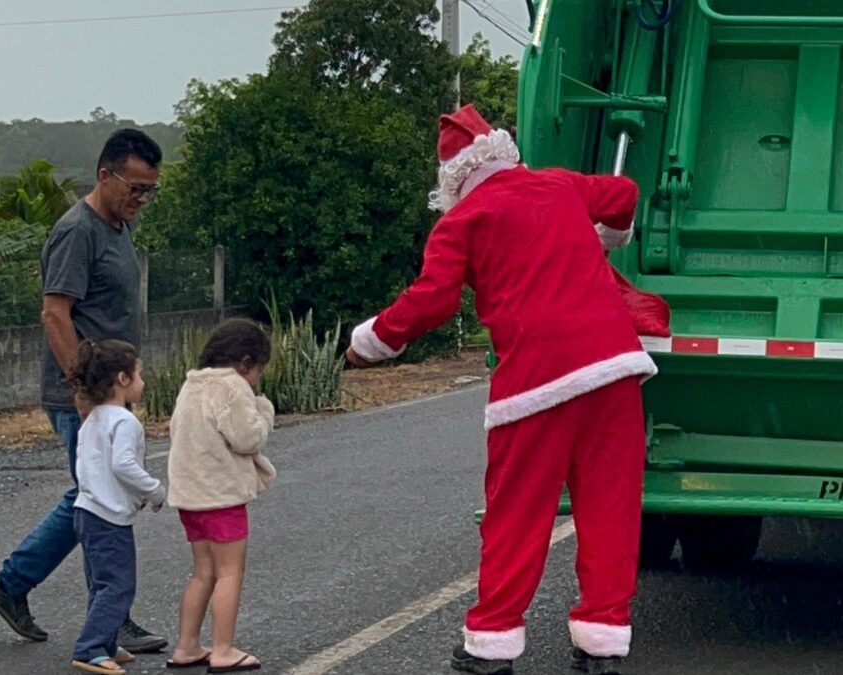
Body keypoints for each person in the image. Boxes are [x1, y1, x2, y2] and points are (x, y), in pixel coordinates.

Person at [345, 104, 657, 675]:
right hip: (613, 367)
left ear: (454, 180)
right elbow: (624, 191)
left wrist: (370, 342)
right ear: (504, 152)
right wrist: (610, 237)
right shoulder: (560, 185)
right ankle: (602, 641)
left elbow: (432, 301)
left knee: (517, 512)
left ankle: (493, 639)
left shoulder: (462, 222)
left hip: (535, 384)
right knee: (609, 508)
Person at [0, 129, 169, 653]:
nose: (141, 199)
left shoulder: (118, 227)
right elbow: (55, 313)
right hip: (82, 399)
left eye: (150, 190)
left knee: (90, 496)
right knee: (97, 498)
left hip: (111, 394)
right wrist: (84, 394)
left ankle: (14, 586)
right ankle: (108, 618)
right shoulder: (76, 231)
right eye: (134, 187)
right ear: (104, 176)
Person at [166, 318, 277, 673]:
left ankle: (186, 645)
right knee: (231, 572)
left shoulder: (192, 384)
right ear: (245, 362)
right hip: (222, 496)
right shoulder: (232, 386)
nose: (257, 378)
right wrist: (264, 411)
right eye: (258, 369)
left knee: (203, 572)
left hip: (190, 496)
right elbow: (248, 438)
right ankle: (223, 649)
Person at [67, 339, 165, 675]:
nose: (143, 382)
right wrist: (154, 491)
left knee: (101, 583)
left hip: (86, 510)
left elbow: (91, 466)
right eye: (139, 374)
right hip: (109, 519)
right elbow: (123, 465)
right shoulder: (125, 421)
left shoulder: (92, 418)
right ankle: (90, 647)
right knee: (118, 585)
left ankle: (106, 642)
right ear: (122, 379)